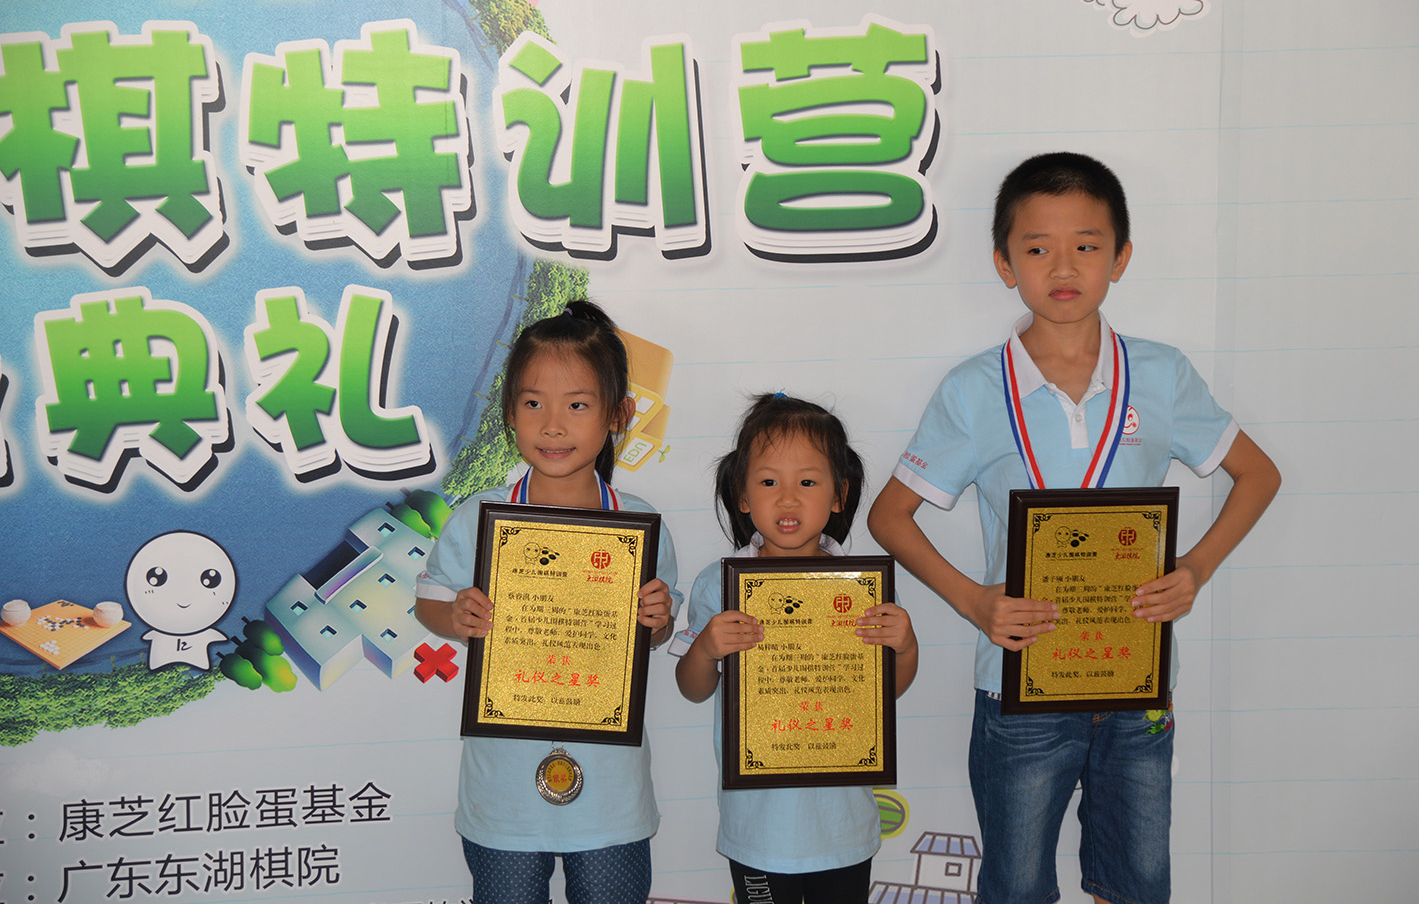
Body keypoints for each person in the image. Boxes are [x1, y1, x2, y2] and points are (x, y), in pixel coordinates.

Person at [867, 152, 1280, 904]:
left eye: (1087, 244)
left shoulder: (1161, 374)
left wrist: (1195, 568)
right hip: (1020, 684)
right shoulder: (974, 388)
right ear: (1004, 263)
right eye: (1037, 248)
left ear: (1120, 257)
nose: (1063, 266)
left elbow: (1258, 475)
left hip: (1137, 681)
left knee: (1137, 883)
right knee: (1017, 886)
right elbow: (889, 516)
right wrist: (975, 601)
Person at [415, 300, 680, 904]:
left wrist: (657, 620)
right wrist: (455, 615)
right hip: (503, 790)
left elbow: (656, 632)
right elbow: (429, 600)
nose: (553, 426)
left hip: (611, 791)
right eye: (533, 403)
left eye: (577, 405)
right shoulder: (480, 516)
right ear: (510, 412)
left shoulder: (639, 524)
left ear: (619, 414)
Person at [673, 393, 919, 903]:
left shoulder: (863, 589)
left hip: (844, 826)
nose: (787, 499)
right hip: (757, 828)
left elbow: (884, 696)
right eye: (768, 482)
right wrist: (707, 650)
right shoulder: (719, 585)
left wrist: (906, 647)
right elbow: (693, 690)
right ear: (742, 496)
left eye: (807, 482)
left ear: (838, 495)